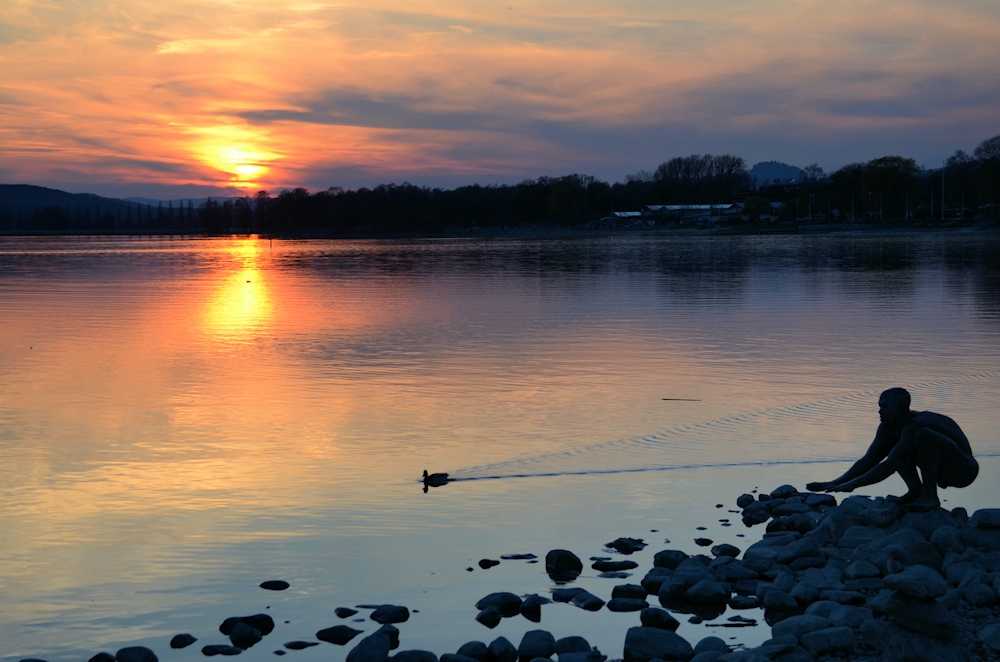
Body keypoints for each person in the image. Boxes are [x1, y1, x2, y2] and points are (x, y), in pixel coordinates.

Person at [806, 387, 978, 511]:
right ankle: (915, 491)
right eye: (880, 406)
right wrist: (835, 482)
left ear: (901, 407)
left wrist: (852, 485)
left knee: (921, 436)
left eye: (885, 407)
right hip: (941, 466)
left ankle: (929, 496)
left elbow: (889, 466)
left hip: (962, 470)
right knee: (897, 446)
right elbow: (869, 460)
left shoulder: (917, 423)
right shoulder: (888, 428)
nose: (880, 411)